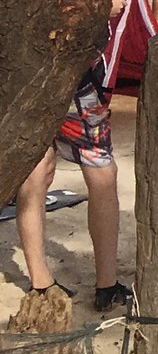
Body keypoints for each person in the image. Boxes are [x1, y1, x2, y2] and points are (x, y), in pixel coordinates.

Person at [15, 37, 127, 314]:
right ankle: (107, 286)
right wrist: (105, 4)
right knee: (102, 171)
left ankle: (40, 282)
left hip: (28, 76)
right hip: (73, 81)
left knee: (36, 171)